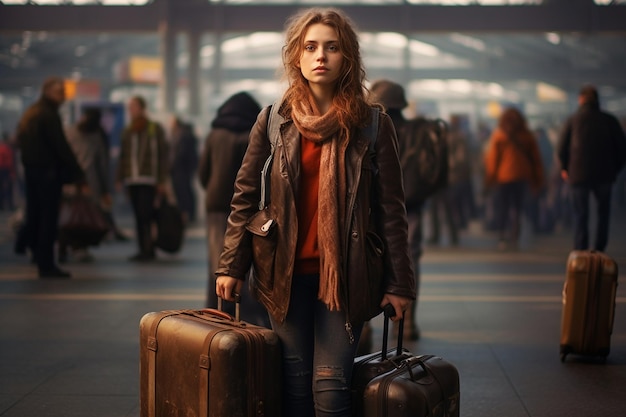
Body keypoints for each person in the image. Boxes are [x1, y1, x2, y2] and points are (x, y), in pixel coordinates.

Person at [215, 8, 415, 417]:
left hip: (346, 275)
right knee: (292, 387)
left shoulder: (373, 125)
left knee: (331, 389)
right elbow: (245, 196)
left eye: (332, 47)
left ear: (348, 58)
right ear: (297, 58)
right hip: (282, 273)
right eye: (310, 47)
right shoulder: (273, 120)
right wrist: (230, 266)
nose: (320, 55)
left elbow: (391, 211)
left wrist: (400, 283)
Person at [198, 92, 267, 324]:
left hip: (216, 206)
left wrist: (211, 188)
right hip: (247, 208)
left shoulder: (214, 135)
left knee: (218, 260)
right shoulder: (253, 134)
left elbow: (203, 172)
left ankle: (216, 309)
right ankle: (246, 310)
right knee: (244, 257)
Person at [369, 79, 426, 341]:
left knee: (365, 258)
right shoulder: (415, 131)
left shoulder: (371, 128)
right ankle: (406, 321)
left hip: (371, 206)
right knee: (409, 258)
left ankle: (362, 327)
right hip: (411, 204)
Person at [15, 76, 85, 278]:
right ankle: (47, 265)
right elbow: (60, 146)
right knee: (48, 219)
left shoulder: (32, 112)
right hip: (48, 175)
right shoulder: (48, 114)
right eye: (59, 91)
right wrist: (78, 173)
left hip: (33, 172)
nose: (63, 95)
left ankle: (37, 255)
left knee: (35, 215)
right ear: (48, 91)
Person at [557, 85, 626, 252]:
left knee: (581, 214)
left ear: (581, 100)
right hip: (604, 175)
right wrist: (614, 170)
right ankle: (599, 248)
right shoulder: (610, 121)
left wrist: (565, 168)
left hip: (578, 174)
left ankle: (581, 249)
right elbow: (622, 149)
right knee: (603, 213)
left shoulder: (572, 120)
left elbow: (561, 148)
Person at [116, 95, 168, 262]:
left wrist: (161, 180)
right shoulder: (128, 131)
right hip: (132, 180)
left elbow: (162, 156)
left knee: (146, 215)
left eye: (134, 106)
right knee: (138, 216)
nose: (131, 110)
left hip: (149, 180)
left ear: (142, 108)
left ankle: (149, 248)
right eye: (129, 107)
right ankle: (143, 249)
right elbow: (123, 156)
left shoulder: (154, 128)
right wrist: (120, 178)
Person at [484, 107, 544, 250]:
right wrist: (538, 180)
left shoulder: (499, 135)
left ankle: (502, 237)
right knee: (517, 208)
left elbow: (493, 160)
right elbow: (535, 160)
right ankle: (515, 236)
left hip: (503, 178)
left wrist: (489, 179)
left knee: (503, 208)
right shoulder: (527, 136)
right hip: (521, 177)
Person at [60, 107, 111, 262]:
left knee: (72, 215)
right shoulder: (94, 135)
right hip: (84, 182)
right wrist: (104, 189)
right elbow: (101, 164)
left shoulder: (70, 133)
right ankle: (77, 246)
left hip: (76, 182)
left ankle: (68, 246)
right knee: (79, 216)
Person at [169, 117, 199, 223]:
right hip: (184, 169)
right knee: (187, 191)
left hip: (181, 169)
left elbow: (178, 154)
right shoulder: (184, 134)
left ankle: (186, 213)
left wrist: (171, 165)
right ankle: (188, 213)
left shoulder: (181, 135)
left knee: (183, 192)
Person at [0, 132, 16, 211]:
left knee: (1, 189)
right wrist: (12, 173)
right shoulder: (7, 149)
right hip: (5, 170)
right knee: (8, 188)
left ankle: (2, 205)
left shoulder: (1, 148)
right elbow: (10, 162)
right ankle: (10, 205)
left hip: (2, 170)